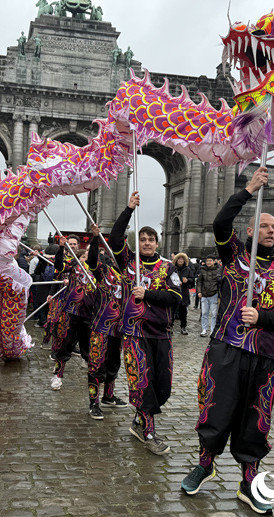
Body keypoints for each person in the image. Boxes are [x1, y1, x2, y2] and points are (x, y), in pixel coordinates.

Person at [181, 166, 274, 515]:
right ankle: (205, 463)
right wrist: (249, 189)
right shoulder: (234, 256)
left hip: (266, 356)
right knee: (216, 408)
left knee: (257, 417)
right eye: (265, 226)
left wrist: (262, 317)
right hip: (226, 347)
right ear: (251, 230)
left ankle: (249, 478)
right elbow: (221, 223)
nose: (271, 231)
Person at [109, 191, 181, 456]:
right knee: (142, 382)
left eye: (151, 239)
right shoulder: (129, 263)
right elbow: (115, 238)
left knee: (162, 386)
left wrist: (147, 294)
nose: (147, 243)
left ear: (157, 243)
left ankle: (140, 420)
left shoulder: (168, 267)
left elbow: (175, 297)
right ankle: (148, 431)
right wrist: (128, 209)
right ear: (137, 243)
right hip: (134, 333)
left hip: (161, 333)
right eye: (143, 239)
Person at [86, 224, 128, 420]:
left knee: (114, 364)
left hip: (119, 330)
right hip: (101, 327)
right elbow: (92, 261)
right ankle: (93, 402)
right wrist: (95, 239)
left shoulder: (131, 276)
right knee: (96, 365)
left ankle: (108, 396)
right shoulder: (104, 271)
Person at [50, 238, 95, 391]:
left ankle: (94, 383)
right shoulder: (74, 266)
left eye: (90, 251)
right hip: (72, 312)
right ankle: (57, 376)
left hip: (89, 315)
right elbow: (59, 266)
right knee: (65, 346)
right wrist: (60, 248)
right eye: (86, 252)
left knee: (88, 349)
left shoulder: (98, 270)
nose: (87, 254)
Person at [173, 253, 195, 335]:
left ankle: (183, 327)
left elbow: (192, 279)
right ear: (176, 260)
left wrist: (187, 280)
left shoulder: (187, 269)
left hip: (184, 292)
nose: (180, 261)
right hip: (174, 291)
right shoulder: (172, 268)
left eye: (182, 259)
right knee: (173, 311)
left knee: (183, 311)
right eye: (179, 259)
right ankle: (170, 326)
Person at [197, 255, 219, 337]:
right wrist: (199, 291)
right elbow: (199, 282)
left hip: (214, 294)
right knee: (204, 313)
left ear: (214, 261)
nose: (208, 262)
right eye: (207, 261)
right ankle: (204, 329)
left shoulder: (218, 270)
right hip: (204, 294)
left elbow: (219, 283)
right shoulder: (202, 270)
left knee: (214, 314)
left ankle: (213, 330)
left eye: (210, 261)